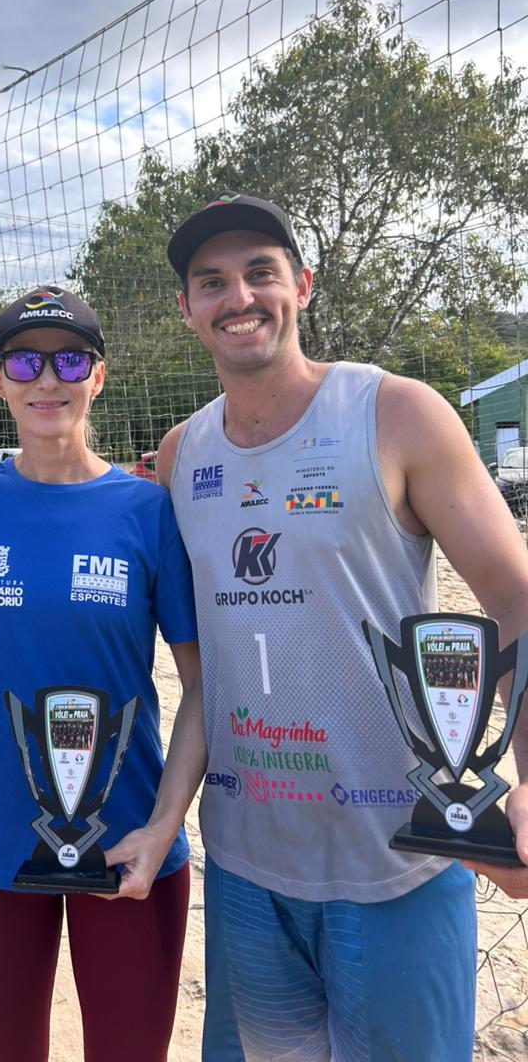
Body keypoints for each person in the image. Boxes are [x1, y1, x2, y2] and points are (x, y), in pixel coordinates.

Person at [139, 192, 528, 1062]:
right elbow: (205, 669)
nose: (239, 296)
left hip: (396, 859)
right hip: (245, 865)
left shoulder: (397, 413)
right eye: (212, 282)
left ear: (303, 286)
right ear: (188, 308)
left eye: (261, 273)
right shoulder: (180, 455)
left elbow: (516, 600)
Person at [0, 285, 204, 1062]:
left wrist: (164, 825)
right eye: (25, 361)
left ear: (98, 376)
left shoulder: (148, 511)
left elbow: (202, 685)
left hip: (128, 840)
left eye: (71, 360)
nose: (47, 379)